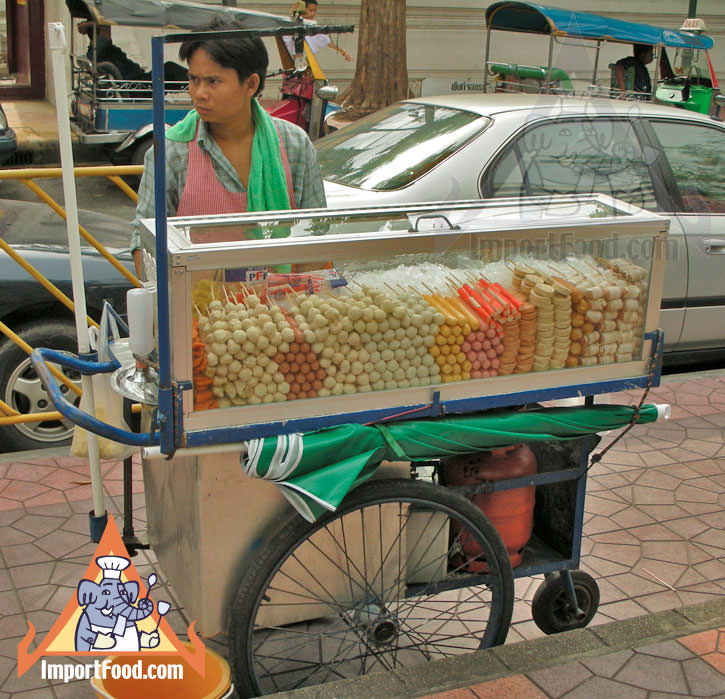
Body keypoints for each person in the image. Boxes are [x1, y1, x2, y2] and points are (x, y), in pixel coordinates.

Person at [131, 16, 326, 276]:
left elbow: (316, 236)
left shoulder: (294, 144)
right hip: (196, 308)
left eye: (213, 81)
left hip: (279, 308)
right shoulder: (170, 151)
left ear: (251, 84)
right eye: (194, 79)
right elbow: (144, 245)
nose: (199, 93)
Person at [77, 21, 188, 84]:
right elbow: (102, 25)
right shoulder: (101, 53)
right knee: (169, 68)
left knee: (168, 69)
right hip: (137, 86)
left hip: (139, 81)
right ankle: (196, 81)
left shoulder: (102, 51)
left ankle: (193, 81)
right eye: (105, 30)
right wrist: (88, 25)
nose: (109, 32)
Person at [284, 1, 353, 63]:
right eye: (310, 11)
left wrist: (343, 52)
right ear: (302, 10)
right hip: (294, 63)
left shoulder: (313, 26)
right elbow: (286, 43)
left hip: (308, 64)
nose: (313, 13)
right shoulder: (292, 25)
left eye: (315, 11)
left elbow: (328, 42)